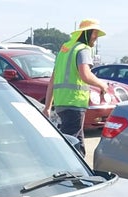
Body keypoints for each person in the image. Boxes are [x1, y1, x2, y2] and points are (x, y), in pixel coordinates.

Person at [43, 19, 109, 154]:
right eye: (94, 33)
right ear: (86, 33)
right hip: (74, 102)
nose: (96, 37)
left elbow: (53, 80)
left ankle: (81, 170)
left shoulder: (65, 49)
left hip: (62, 103)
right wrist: (102, 85)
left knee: (78, 143)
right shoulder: (82, 49)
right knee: (70, 145)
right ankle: (65, 170)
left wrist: (48, 106)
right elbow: (85, 75)